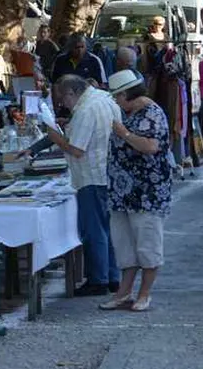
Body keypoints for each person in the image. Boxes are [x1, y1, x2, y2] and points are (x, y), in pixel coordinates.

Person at [99, 70, 171, 312]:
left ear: (127, 94)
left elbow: (151, 146)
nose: (117, 102)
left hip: (146, 193)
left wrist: (125, 134)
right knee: (125, 245)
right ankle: (124, 292)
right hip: (123, 193)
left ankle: (144, 293)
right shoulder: (130, 113)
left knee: (147, 243)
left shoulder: (153, 114)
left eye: (117, 97)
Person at [44, 75, 122, 297]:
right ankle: (111, 276)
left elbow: (77, 149)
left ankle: (98, 278)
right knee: (107, 228)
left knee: (93, 229)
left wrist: (56, 137)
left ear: (71, 93)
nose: (64, 105)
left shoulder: (86, 110)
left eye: (64, 99)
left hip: (91, 176)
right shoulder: (105, 99)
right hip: (107, 173)